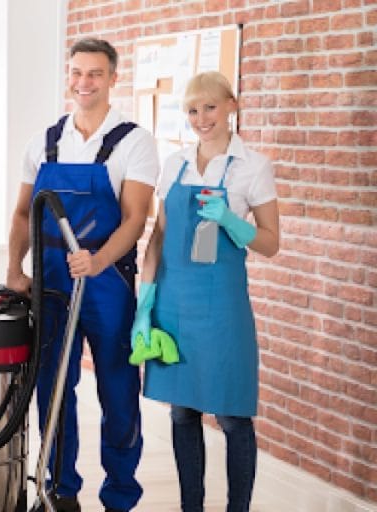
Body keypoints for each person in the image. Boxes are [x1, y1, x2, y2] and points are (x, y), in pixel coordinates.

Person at [6, 38, 159, 512]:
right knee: (53, 387)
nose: (84, 82)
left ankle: (120, 494)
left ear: (113, 78)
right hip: (51, 283)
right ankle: (61, 489)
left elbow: (135, 218)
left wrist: (98, 261)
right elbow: (22, 214)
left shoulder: (133, 141)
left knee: (118, 389)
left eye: (95, 73)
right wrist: (14, 268)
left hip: (107, 282)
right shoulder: (44, 142)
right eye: (76, 72)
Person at [135, 71, 280, 512]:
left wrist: (231, 220)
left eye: (210, 107)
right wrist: (145, 304)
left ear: (232, 105)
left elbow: (271, 243)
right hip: (173, 302)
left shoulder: (253, 166)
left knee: (233, 415)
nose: (201, 118)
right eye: (193, 110)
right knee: (182, 412)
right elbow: (159, 236)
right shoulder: (175, 163)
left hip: (222, 308)